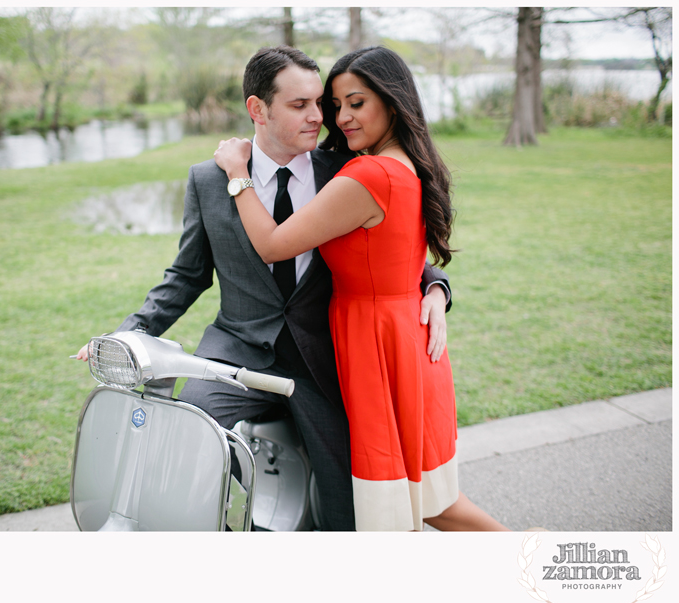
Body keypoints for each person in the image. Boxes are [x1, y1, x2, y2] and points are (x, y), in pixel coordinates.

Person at [76, 46, 452, 532]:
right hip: (236, 351)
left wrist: (436, 289)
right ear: (258, 109)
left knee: (350, 496)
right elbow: (187, 275)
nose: (320, 117)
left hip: (327, 359)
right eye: (301, 105)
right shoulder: (209, 180)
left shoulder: (343, 170)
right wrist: (128, 333)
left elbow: (394, 251)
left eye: (321, 103)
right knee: (185, 436)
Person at [214, 46, 507, 532]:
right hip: (395, 337)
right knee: (422, 498)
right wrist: (433, 290)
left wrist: (237, 174)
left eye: (357, 103)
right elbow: (402, 255)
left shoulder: (369, 174)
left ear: (392, 103)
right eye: (337, 105)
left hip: (378, 347)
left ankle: (532, 557)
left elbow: (272, 245)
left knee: (398, 499)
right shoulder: (401, 162)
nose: (341, 117)